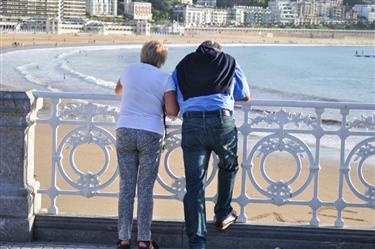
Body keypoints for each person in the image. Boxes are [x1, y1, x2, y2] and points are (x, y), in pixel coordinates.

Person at [170, 40, 250, 249]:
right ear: (219, 51)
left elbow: (176, 98)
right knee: (228, 165)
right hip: (221, 122)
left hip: (192, 123)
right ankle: (223, 212)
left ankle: (197, 243)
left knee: (195, 185)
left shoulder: (183, 64)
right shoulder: (230, 62)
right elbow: (245, 95)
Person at [115, 41, 179, 249]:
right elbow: (172, 111)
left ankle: (124, 238)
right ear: (162, 60)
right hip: (150, 133)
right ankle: (144, 240)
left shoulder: (129, 69)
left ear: (143, 54)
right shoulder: (165, 78)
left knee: (126, 186)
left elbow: (118, 91)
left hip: (125, 129)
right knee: (145, 189)